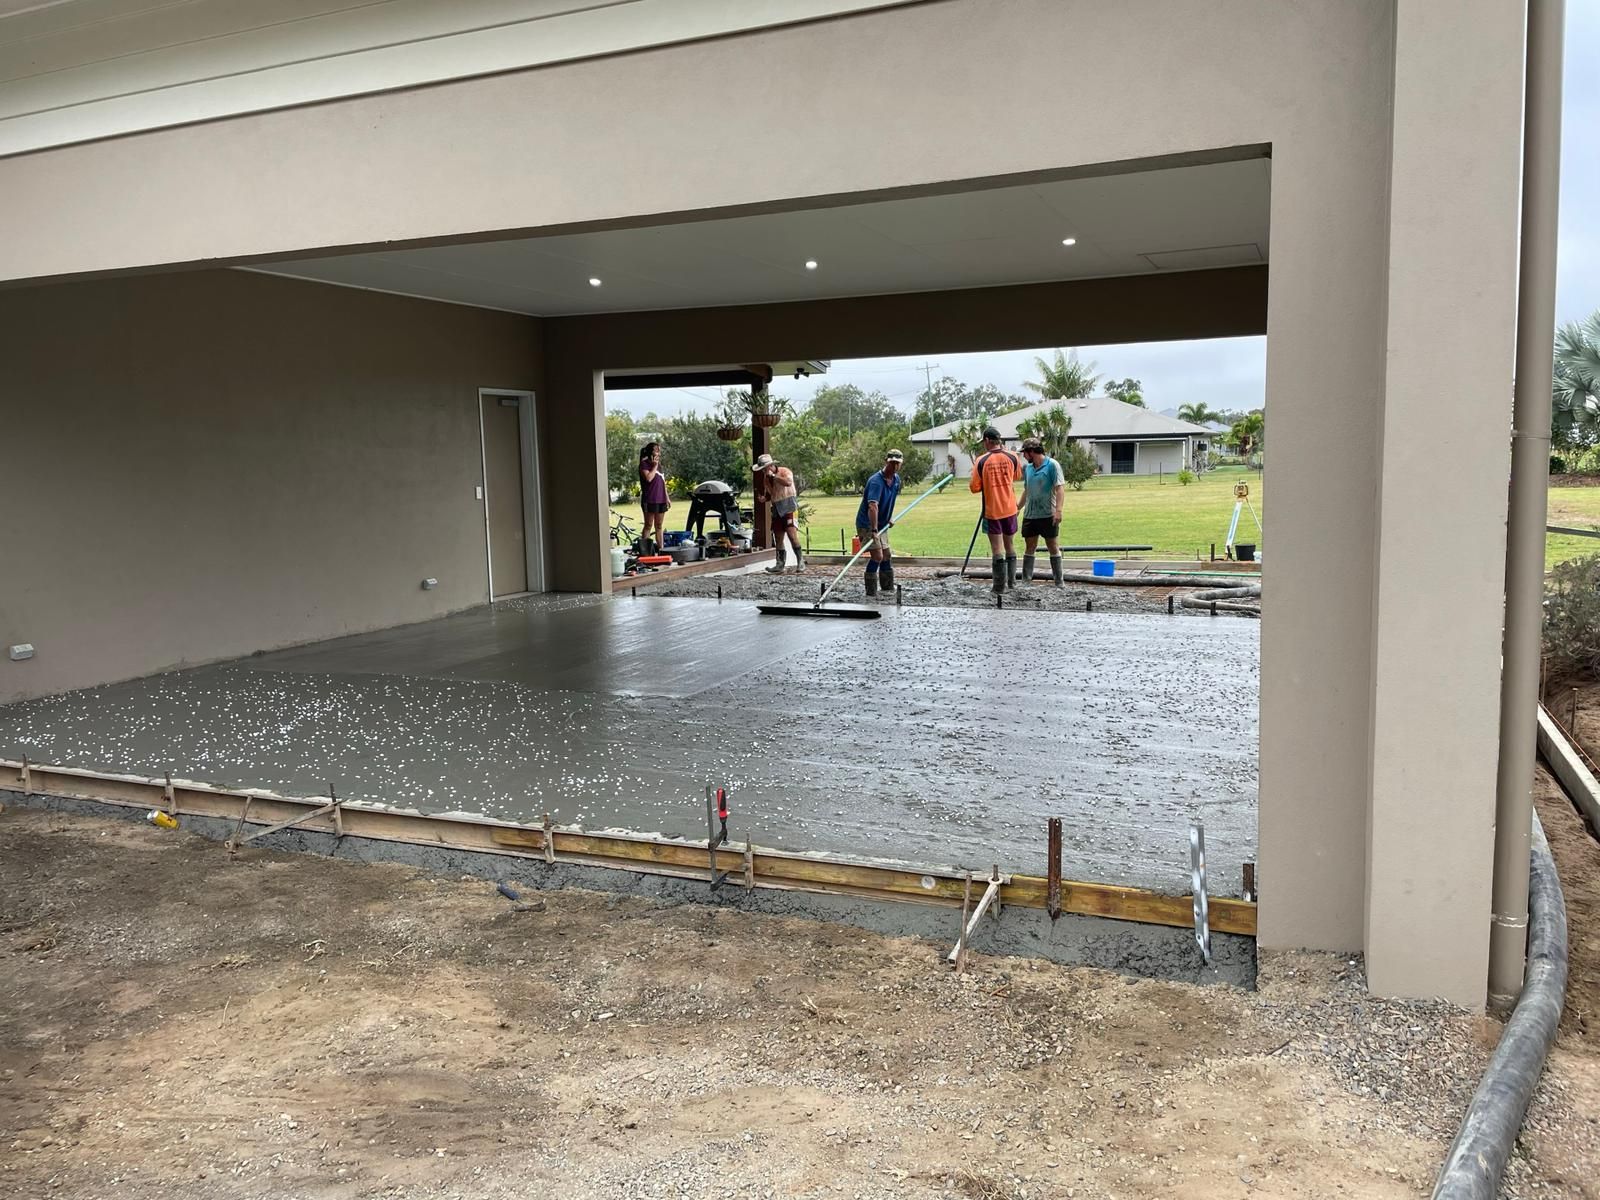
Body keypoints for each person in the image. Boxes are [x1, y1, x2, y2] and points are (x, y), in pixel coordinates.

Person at [969, 426, 1023, 593]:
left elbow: (974, 487)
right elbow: (1017, 476)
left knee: (996, 548)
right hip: (1010, 508)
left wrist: (988, 482)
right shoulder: (1012, 457)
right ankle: (1011, 583)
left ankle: (999, 587)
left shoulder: (981, 460)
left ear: (987, 441)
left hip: (992, 511)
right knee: (1010, 545)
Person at [855, 449, 904, 597]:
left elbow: (889, 500)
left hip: (882, 523)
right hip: (868, 524)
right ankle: (871, 591)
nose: (895, 466)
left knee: (886, 555)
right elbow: (873, 506)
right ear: (886, 462)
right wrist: (874, 530)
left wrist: (889, 517)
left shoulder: (896, 480)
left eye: (897, 463)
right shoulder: (876, 481)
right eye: (892, 463)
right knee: (877, 556)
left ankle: (887, 588)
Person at [1019, 437, 1066, 586]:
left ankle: (1059, 582)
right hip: (1030, 515)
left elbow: (1059, 488)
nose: (1024, 456)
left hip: (1047, 514)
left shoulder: (1052, 465)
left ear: (1032, 452)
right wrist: (1018, 507)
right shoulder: (1028, 468)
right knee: (1030, 546)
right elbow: (1027, 490)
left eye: (1025, 452)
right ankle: (1026, 581)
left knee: (1052, 546)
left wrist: (1058, 511)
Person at [753, 453, 804, 573]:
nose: (763, 471)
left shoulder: (784, 471)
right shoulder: (766, 479)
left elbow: (788, 482)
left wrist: (774, 476)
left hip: (789, 506)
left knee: (792, 535)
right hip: (777, 508)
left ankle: (800, 561)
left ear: (770, 466)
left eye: (764, 469)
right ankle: (780, 564)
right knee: (778, 536)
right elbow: (770, 494)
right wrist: (764, 499)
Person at [638, 442, 669, 554]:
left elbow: (662, 482)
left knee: (659, 526)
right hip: (649, 499)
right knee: (648, 525)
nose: (659, 453)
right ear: (650, 452)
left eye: (659, 451)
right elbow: (649, 478)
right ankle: (645, 552)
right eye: (656, 450)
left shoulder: (659, 465)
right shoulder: (644, 464)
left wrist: (667, 497)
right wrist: (655, 466)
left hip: (661, 499)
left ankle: (661, 550)